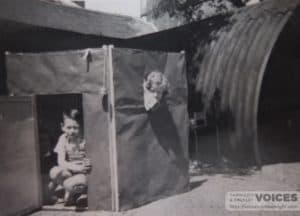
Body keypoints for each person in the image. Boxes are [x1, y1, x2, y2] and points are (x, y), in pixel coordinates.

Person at [49, 109, 91, 206]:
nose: (72, 131)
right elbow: (61, 161)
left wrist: (83, 167)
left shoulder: (85, 139)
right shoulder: (63, 138)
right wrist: (76, 167)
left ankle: (71, 191)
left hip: (83, 172)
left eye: (75, 127)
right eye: (69, 127)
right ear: (62, 127)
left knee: (74, 184)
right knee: (55, 172)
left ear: (82, 126)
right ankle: (67, 190)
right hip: (71, 170)